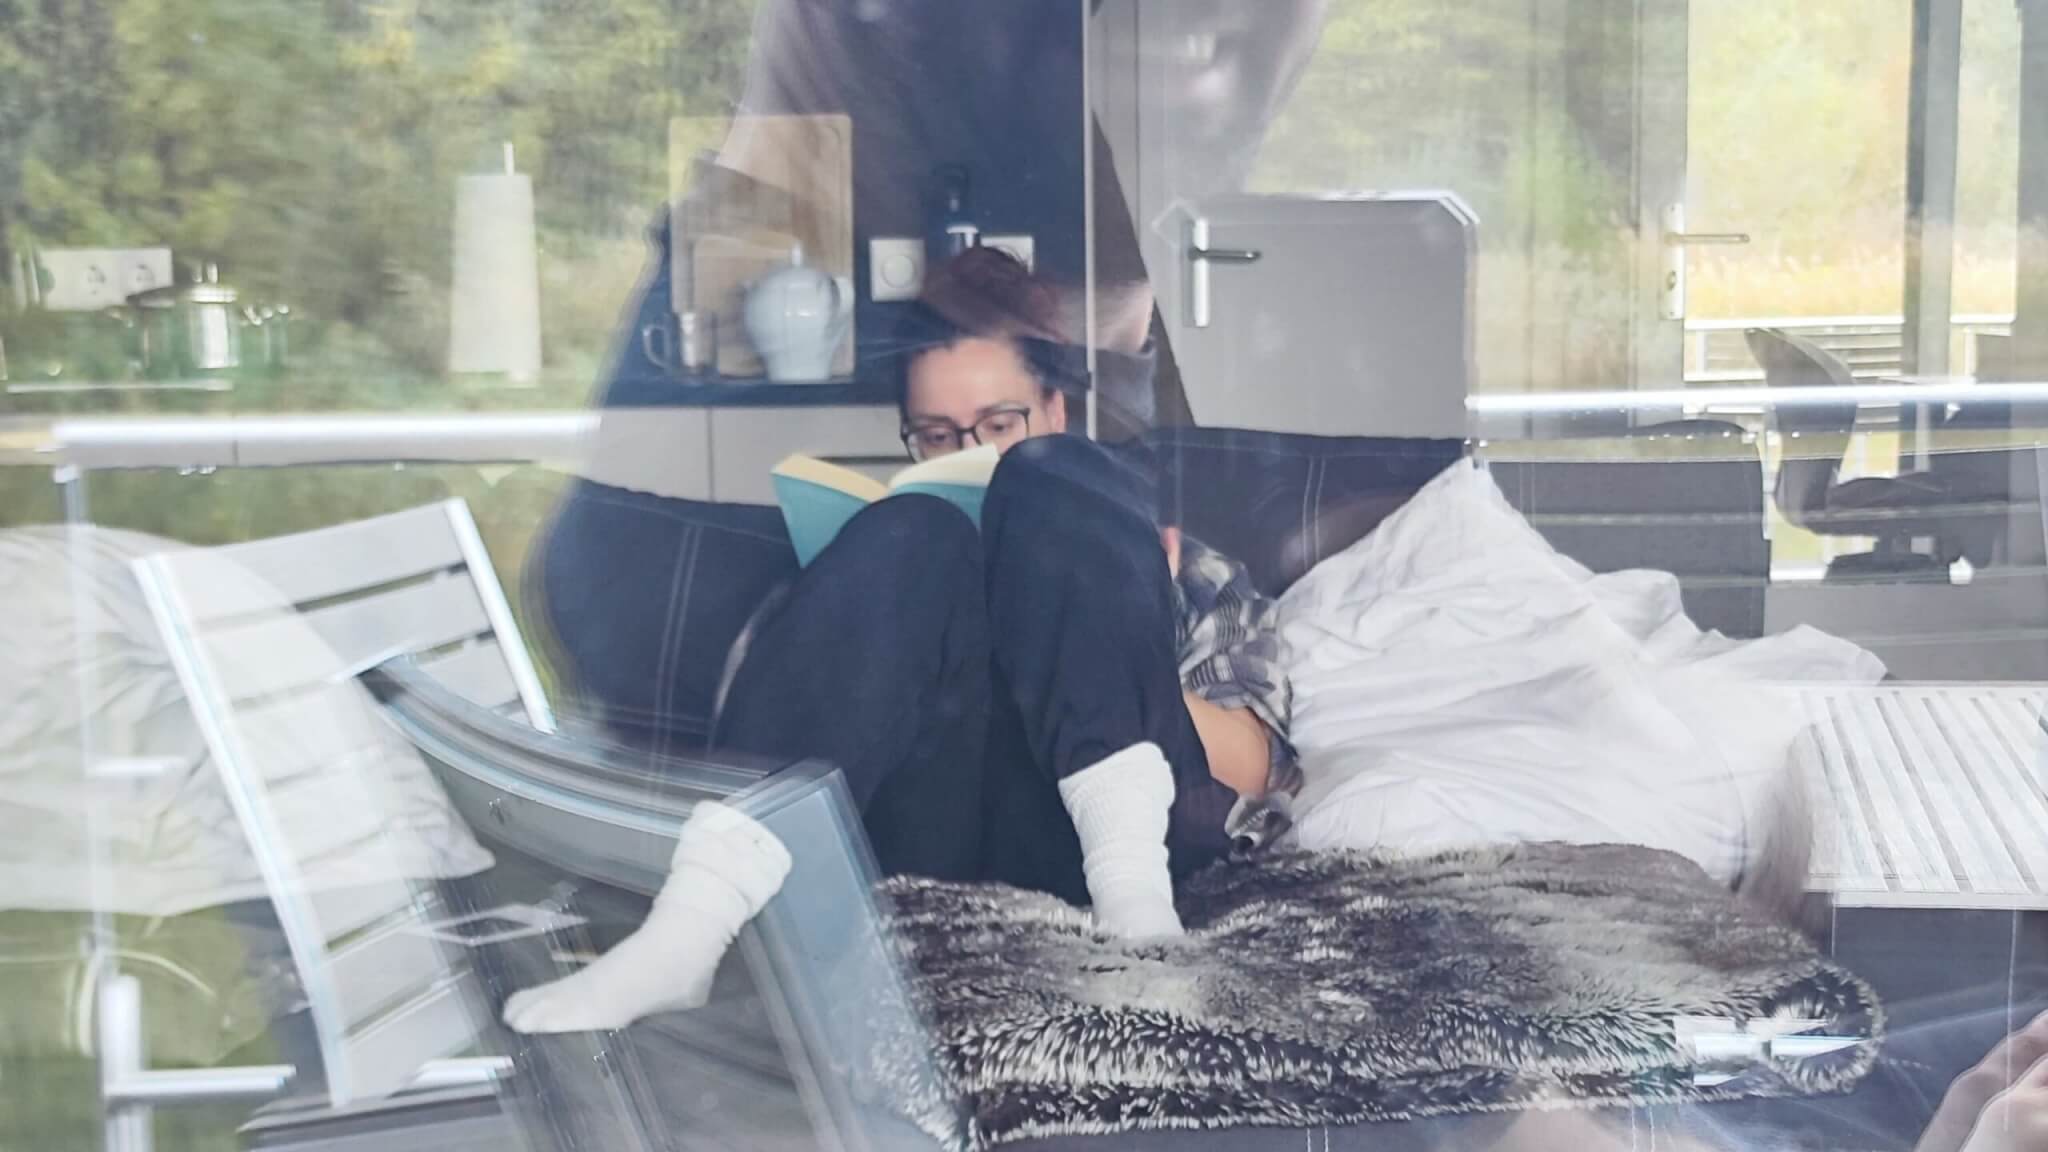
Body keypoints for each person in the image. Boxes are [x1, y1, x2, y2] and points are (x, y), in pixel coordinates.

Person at [503, 246, 1297, 1034]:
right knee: (915, 525)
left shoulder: (1179, 562)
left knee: (1052, 479)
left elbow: (1259, 768)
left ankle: (1137, 920)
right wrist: (873, 613)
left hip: (1126, 845)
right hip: (936, 839)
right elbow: (775, 722)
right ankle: (685, 935)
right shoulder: (902, 567)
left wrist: (1117, 632)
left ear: (1054, 407)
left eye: (1000, 424)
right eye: (938, 436)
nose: (972, 456)